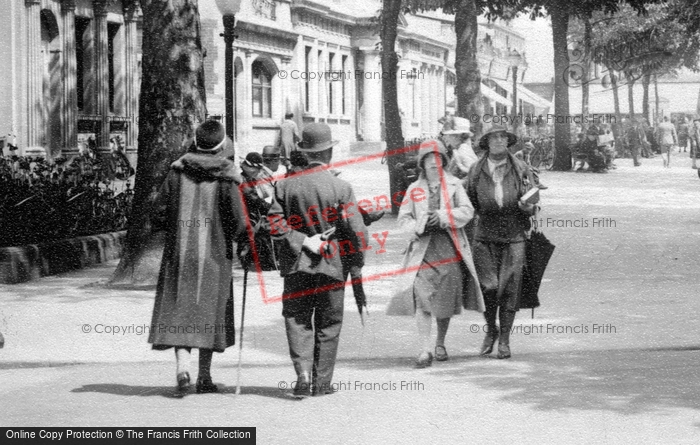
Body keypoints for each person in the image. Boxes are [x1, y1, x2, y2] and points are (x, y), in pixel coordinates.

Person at [267, 123, 368, 397]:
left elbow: (274, 225)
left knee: (297, 318)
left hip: (297, 264)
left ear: (303, 151)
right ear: (329, 152)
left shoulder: (284, 186)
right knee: (329, 322)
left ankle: (301, 374)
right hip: (333, 265)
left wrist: (301, 240)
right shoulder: (341, 187)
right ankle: (321, 383)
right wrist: (358, 259)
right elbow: (357, 233)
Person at [148, 120, 247, 394]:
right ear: (221, 145)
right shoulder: (227, 176)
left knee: (182, 307)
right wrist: (243, 240)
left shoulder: (176, 172)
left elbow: (158, 213)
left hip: (179, 254)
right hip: (214, 254)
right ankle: (204, 376)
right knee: (209, 312)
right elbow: (238, 221)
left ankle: (183, 367)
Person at [387, 140, 484, 368]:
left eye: (438, 158)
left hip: (449, 248)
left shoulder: (454, 185)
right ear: (422, 162)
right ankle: (425, 349)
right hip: (423, 251)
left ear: (444, 161)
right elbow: (403, 220)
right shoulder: (414, 189)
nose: (434, 162)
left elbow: (468, 211)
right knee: (422, 298)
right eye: (429, 158)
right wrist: (419, 225)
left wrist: (442, 216)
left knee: (444, 299)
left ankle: (440, 342)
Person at [466, 124, 539, 359]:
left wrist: (528, 207)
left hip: (514, 234)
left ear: (508, 142)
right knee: (488, 287)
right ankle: (491, 330)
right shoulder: (476, 169)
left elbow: (534, 201)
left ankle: (505, 339)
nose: (499, 141)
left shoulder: (521, 168)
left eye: (503, 137)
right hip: (484, 235)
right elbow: (467, 203)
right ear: (486, 142)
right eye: (494, 137)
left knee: (510, 288)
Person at [440, 117, 478, 182]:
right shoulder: (459, 149)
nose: (445, 137)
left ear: (457, 136)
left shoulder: (463, 149)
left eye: (448, 135)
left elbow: (474, 174)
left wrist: (457, 184)